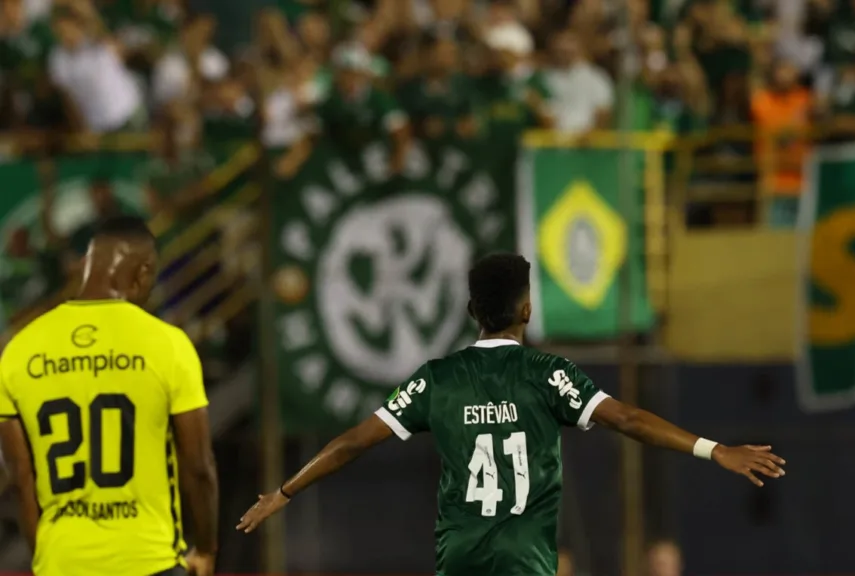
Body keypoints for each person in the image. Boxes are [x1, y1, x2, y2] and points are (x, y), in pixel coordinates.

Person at [237, 253, 786, 575]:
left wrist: (282, 493)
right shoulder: (549, 373)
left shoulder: (437, 379)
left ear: (472, 311)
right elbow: (628, 420)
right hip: (526, 565)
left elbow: (353, 443)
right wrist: (714, 449)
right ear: (527, 309)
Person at [0, 215, 219, 576]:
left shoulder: (19, 351)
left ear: (86, 267)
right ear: (143, 272)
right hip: (149, 561)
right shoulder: (169, 345)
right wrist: (206, 548)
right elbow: (198, 467)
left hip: (62, 563)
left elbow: (21, 479)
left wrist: (46, 559)